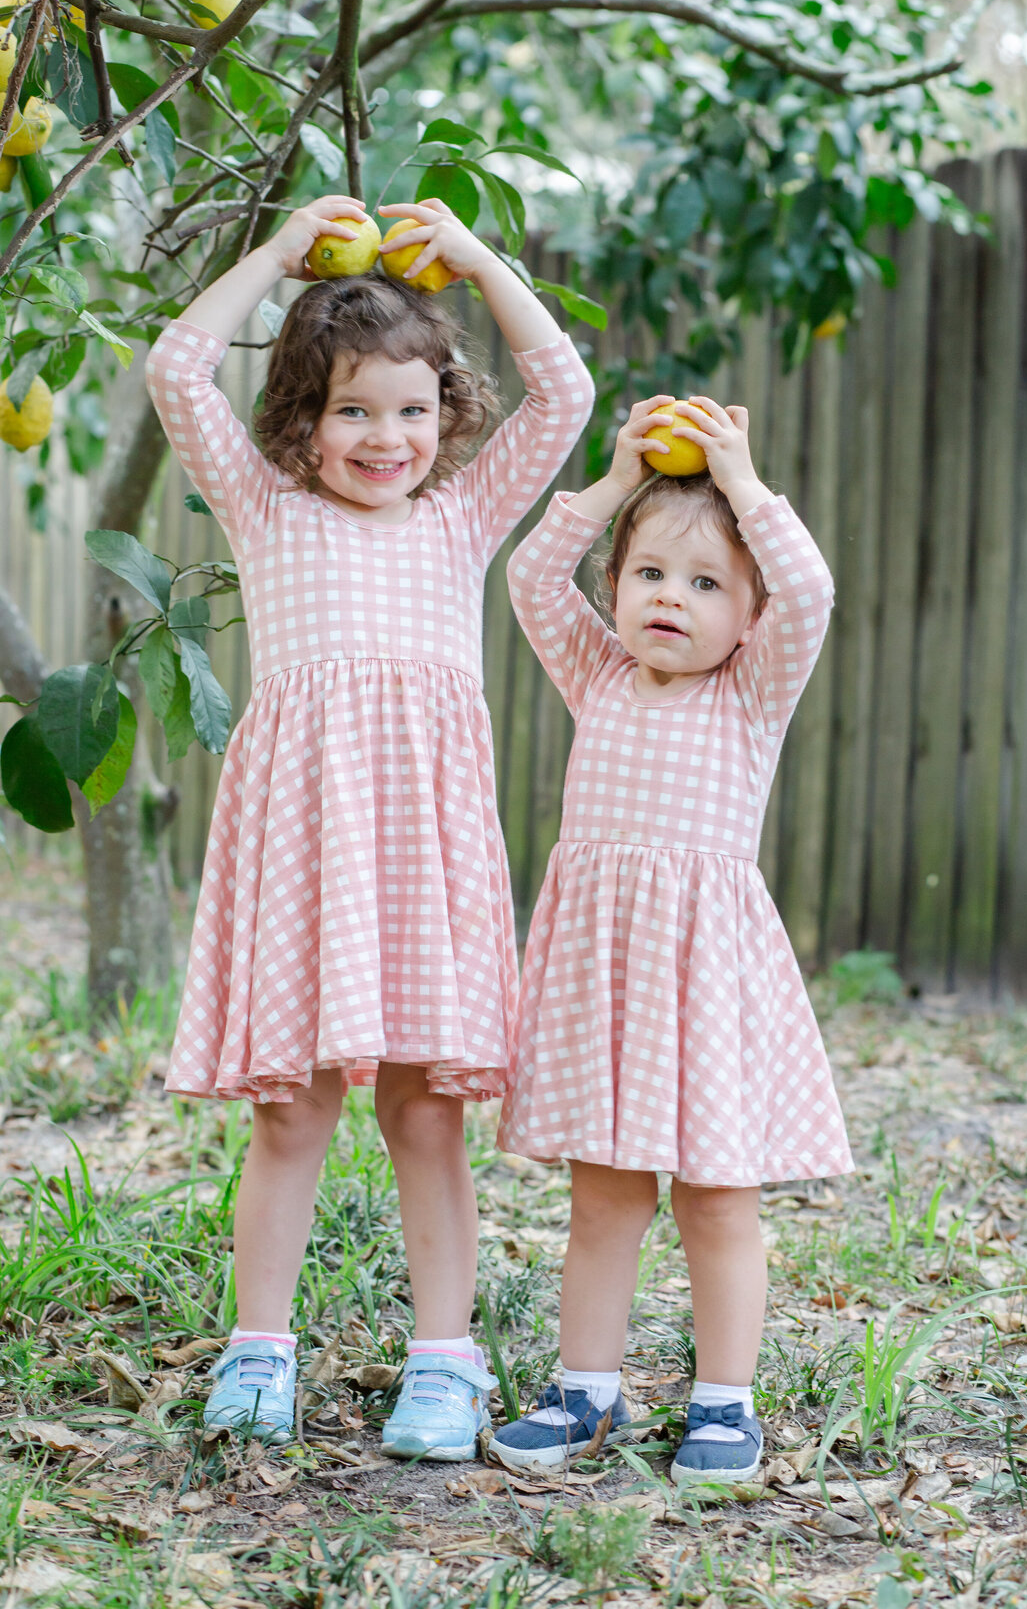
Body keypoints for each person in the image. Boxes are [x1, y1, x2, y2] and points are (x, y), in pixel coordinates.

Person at [144, 194, 594, 1456]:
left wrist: (480, 260)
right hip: (303, 851)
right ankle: (259, 1351)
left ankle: (445, 1364)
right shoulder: (264, 510)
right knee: (291, 1113)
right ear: (301, 419)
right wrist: (278, 254)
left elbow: (563, 394)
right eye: (352, 408)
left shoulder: (458, 520)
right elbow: (177, 368)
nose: (385, 436)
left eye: (411, 407)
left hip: (424, 855)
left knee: (424, 1113)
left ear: (446, 413)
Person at [492, 395, 853, 1484]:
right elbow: (525, 578)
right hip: (605, 978)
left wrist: (743, 482)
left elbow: (816, 588)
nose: (671, 599)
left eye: (706, 585)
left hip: (702, 983)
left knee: (715, 1196)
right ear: (616, 593)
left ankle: (724, 1405)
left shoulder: (750, 697)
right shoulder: (596, 674)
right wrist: (611, 485)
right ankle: (583, 1392)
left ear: (749, 619)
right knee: (603, 1197)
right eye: (649, 574)